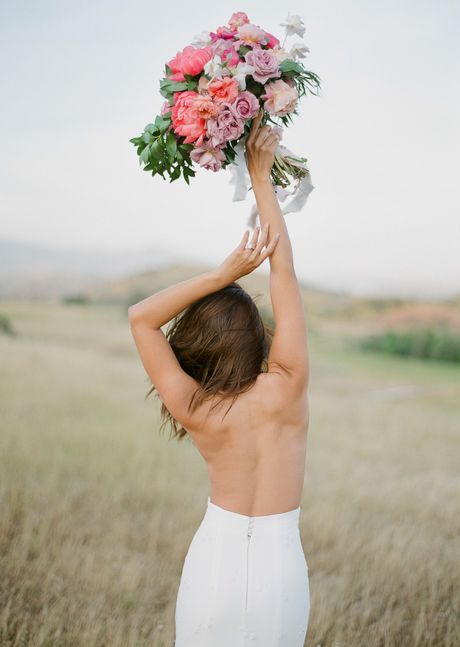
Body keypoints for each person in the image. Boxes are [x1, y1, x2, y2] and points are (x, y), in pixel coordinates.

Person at [128, 109, 310, 646]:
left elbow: (141, 317)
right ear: (257, 334)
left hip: (216, 561)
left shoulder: (197, 408)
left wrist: (219, 275)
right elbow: (284, 271)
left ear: (199, 345)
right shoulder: (287, 385)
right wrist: (261, 175)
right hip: (280, 568)